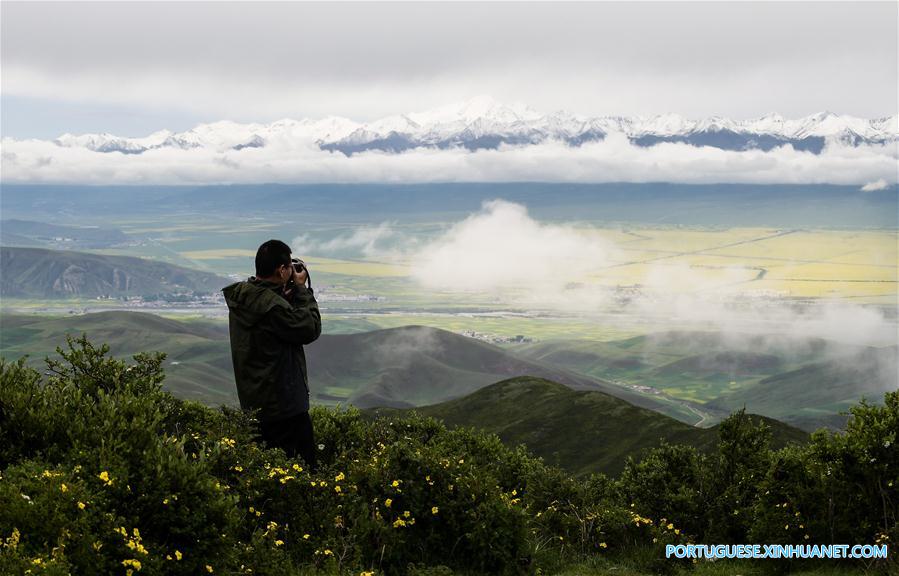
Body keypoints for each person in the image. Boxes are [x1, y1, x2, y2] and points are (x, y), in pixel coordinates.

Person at [222, 239, 321, 469]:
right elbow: (309, 328)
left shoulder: (245, 298)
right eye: (289, 266)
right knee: (304, 470)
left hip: (255, 403)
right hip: (284, 407)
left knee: (266, 470)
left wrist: (285, 293)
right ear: (282, 270)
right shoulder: (272, 307)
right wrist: (301, 290)